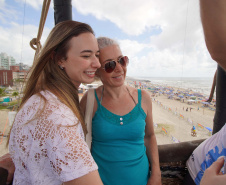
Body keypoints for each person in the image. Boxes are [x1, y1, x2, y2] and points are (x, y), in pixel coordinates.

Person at [7, 20, 103, 185]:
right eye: (86, 56)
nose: (97, 64)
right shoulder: (61, 119)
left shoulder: (36, 101)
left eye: (97, 55)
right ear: (60, 59)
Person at [80, 37, 161, 185]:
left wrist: (156, 174)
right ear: (97, 71)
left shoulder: (143, 98)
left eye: (121, 60)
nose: (119, 68)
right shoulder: (90, 101)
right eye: (110, 65)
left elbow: (149, 136)